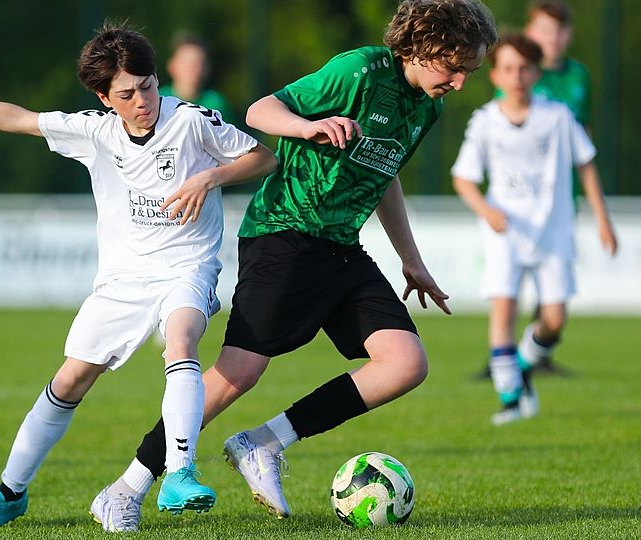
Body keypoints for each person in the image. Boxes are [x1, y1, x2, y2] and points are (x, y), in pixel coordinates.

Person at [89, 0, 498, 530]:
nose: (461, 82)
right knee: (237, 375)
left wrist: (411, 259)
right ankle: (125, 488)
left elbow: (385, 173)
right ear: (423, 47)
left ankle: (263, 443)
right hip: (283, 233)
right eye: (455, 67)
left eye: (470, 72)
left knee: (405, 363)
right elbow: (261, 111)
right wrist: (308, 127)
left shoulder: (427, 107)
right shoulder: (359, 70)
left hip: (340, 246)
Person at [0, 22, 277, 530]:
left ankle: (180, 473)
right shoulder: (95, 132)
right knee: (70, 379)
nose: (142, 101)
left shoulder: (192, 120)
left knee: (182, 339)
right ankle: (9, 493)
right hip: (123, 280)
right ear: (103, 97)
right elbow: (17, 118)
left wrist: (211, 175)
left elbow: (262, 157)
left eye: (148, 86)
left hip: (187, 266)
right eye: (126, 94)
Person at [451, 33, 617, 426]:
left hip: (553, 231)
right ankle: (509, 399)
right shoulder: (485, 121)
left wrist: (603, 219)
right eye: (508, 69)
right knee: (504, 309)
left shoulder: (558, 117)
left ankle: (523, 365)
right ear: (495, 75)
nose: (517, 77)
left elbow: (586, 165)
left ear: (536, 74)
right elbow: (463, 178)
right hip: (505, 232)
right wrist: (486, 210)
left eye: (524, 69)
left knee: (555, 320)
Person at [476, 0, 593, 380]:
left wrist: (597, 207)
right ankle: (505, 370)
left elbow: (584, 140)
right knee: (505, 296)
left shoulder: (577, 78)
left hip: (557, 201)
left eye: (558, 30)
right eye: (543, 29)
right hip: (512, 209)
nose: (551, 38)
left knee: (553, 302)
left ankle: (531, 358)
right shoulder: (513, 82)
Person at [160, 34, 235, 124]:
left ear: (207, 68)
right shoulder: (159, 100)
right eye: (185, 61)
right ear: (171, 66)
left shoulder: (218, 104)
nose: (191, 67)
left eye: (198, 62)